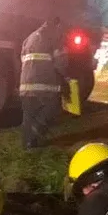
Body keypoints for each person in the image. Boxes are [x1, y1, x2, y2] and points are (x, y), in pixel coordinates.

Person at [19, 17, 69, 150]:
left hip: (25, 85)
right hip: (45, 85)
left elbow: (22, 59)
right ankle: (35, 136)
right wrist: (66, 78)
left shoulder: (30, 38)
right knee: (52, 109)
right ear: (58, 25)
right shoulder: (55, 37)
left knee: (28, 115)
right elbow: (61, 63)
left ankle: (27, 144)